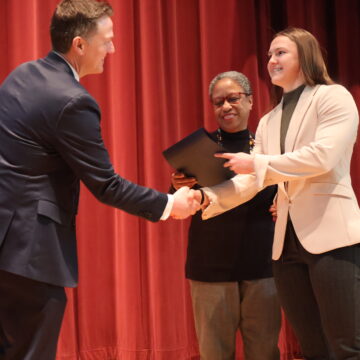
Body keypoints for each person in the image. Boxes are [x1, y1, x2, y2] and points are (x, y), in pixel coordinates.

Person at [0, 0, 199, 359]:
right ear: (79, 44)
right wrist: (171, 205)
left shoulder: (21, 74)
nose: (113, 49)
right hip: (30, 251)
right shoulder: (73, 101)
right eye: (106, 40)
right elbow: (106, 185)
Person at [199, 28, 360, 359]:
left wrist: (257, 162)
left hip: (332, 236)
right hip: (286, 246)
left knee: (346, 345)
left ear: (305, 54)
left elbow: (322, 158)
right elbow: (254, 179)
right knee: (312, 346)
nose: (271, 60)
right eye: (269, 55)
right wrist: (206, 199)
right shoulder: (269, 120)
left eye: (280, 53)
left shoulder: (333, 96)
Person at [171, 71, 281, 360]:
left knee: (265, 352)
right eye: (218, 102)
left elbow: (291, 190)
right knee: (214, 354)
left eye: (233, 98)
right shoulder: (198, 150)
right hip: (210, 268)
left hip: (262, 266)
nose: (226, 107)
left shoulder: (269, 151)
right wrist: (176, 185)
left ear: (250, 101)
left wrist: (284, 197)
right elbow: (177, 204)